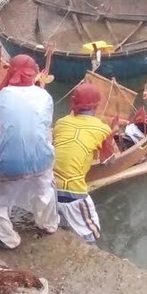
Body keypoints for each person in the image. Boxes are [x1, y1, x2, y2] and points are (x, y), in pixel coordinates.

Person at [0, 54, 57, 250]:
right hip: (42, 160)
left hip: (8, 166)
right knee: (45, 189)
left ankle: (7, 240)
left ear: (10, 71)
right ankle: (48, 225)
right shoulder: (45, 97)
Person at [52, 83, 115, 244]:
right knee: (92, 232)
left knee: (58, 224)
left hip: (48, 187)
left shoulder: (61, 123)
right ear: (97, 105)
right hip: (74, 192)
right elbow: (108, 161)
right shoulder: (103, 129)